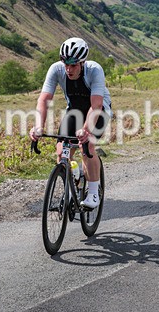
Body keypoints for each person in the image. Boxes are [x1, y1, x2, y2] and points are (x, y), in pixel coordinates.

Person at [30, 37, 112, 210]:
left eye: (73, 65)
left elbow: (96, 104)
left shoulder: (94, 70)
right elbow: (44, 100)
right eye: (65, 63)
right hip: (74, 110)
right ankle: (71, 182)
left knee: (87, 147)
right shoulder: (56, 70)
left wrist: (86, 130)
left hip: (98, 110)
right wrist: (38, 126)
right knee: (62, 151)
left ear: (82, 63)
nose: (68, 69)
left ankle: (93, 192)